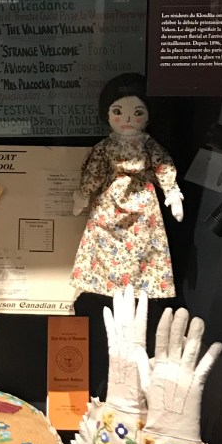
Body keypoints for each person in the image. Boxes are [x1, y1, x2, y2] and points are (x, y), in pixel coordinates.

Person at [71, 73, 183, 299]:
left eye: (138, 113)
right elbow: (94, 172)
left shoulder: (149, 145)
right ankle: (101, 282)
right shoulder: (105, 147)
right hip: (110, 203)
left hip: (142, 204)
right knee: (103, 239)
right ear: (108, 114)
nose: (128, 119)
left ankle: (140, 288)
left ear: (149, 115)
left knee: (144, 246)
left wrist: (171, 192)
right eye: (118, 112)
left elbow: (162, 165)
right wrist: (83, 195)